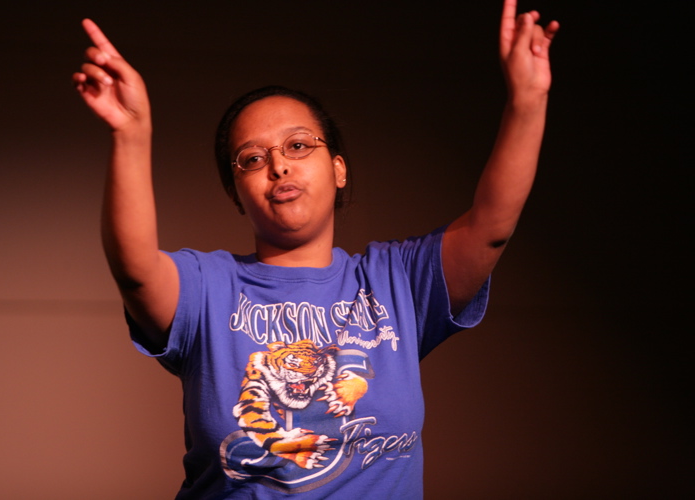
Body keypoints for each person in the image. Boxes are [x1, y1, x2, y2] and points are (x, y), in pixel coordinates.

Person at [73, 1, 558, 498]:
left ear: (338, 169)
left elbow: (491, 227)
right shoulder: (208, 288)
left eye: (299, 146)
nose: (279, 166)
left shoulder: (396, 280)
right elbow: (135, 269)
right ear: (236, 194)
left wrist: (527, 102)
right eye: (252, 158)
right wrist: (131, 134)